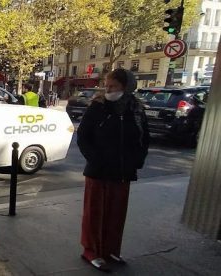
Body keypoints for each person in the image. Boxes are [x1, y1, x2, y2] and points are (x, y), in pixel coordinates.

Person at [76, 68, 149, 272]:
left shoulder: (136, 110)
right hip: (98, 171)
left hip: (123, 171)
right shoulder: (97, 108)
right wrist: (95, 159)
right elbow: (83, 137)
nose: (108, 90)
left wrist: (137, 161)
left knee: (116, 214)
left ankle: (110, 250)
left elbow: (144, 138)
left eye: (113, 86)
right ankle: (91, 251)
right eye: (107, 86)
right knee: (94, 213)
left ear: (126, 88)